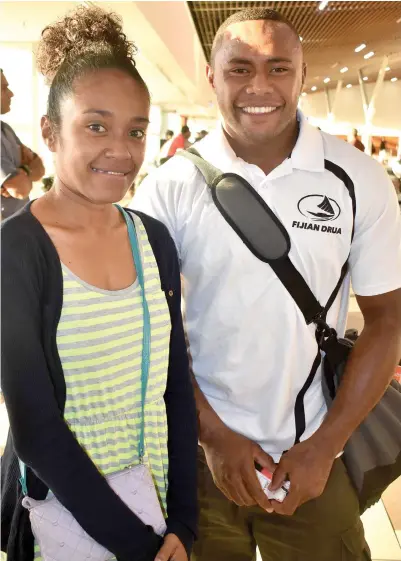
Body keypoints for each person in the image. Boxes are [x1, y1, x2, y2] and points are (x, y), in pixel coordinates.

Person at [132, 7, 401, 561]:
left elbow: (388, 320)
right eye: (239, 68)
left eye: (278, 68)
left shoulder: (356, 178)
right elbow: (147, 327)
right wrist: (213, 436)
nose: (260, 86)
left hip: (314, 459)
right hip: (199, 460)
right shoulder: (171, 186)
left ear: (302, 76)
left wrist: (326, 447)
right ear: (212, 76)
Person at [1, 6, 197, 561]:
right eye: (95, 125)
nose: (122, 149)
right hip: (67, 520)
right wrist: (136, 546)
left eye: (136, 131)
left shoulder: (153, 239)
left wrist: (183, 520)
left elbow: (174, 386)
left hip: (159, 512)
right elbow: (36, 428)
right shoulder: (17, 250)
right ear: (49, 132)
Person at [1, 70, 45, 219]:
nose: (11, 94)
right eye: (3, 88)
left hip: (18, 224)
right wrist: (27, 171)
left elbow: (40, 168)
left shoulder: (6, 129)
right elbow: (20, 189)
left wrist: (23, 171)